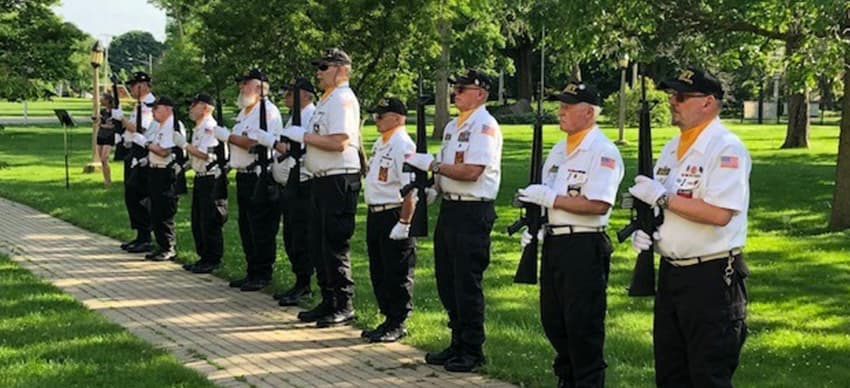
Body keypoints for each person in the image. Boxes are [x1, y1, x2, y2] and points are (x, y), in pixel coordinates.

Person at [628, 67, 751, 387]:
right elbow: (667, 206)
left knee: (707, 375)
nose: (672, 102)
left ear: (708, 102)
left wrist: (663, 199)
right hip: (673, 273)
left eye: (681, 96)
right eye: (671, 95)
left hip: (711, 277)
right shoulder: (673, 146)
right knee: (670, 373)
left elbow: (720, 213)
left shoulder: (726, 148)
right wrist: (651, 232)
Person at [516, 81, 624, 387]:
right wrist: (537, 221)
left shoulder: (602, 151)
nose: (560, 112)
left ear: (588, 112)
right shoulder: (560, 149)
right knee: (555, 320)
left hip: (584, 244)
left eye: (567, 107)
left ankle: (588, 381)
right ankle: (567, 379)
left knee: (582, 325)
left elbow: (599, 204)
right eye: (560, 105)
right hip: (555, 241)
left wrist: (551, 200)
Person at [405, 69, 502, 372]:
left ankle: (472, 349)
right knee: (447, 281)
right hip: (451, 209)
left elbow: (472, 171)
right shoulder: (451, 126)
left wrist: (435, 166)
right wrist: (432, 187)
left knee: (466, 282)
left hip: (473, 211)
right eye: (455, 89)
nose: (456, 93)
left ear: (481, 94)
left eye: (462, 89)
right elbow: (448, 168)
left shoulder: (484, 125)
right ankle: (457, 341)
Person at [283, 48, 362, 328]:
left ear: (341, 69)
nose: (318, 73)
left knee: (333, 242)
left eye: (324, 67)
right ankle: (328, 299)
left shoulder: (342, 99)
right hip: (321, 178)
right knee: (318, 242)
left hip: (338, 178)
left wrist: (303, 136)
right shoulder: (328, 100)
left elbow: (339, 141)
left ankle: (344, 303)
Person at [213, 68, 284, 291]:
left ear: (259, 88)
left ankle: (263, 273)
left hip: (259, 175)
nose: (241, 88)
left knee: (261, 227)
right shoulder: (245, 112)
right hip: (243, 176)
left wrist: (228, 137)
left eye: (246, 84)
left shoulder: (267, 111)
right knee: (246, 227)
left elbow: (252, 143)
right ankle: (252, 270)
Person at [361, 97, 417, 343]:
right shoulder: (382, 142)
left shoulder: (402, 145)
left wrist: (404, 223)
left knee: (397, 270)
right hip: (376, 213)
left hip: (394, 212)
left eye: (381, 116)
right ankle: (387, 317)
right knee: (379, 269)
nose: (376, 120)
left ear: (397, 118)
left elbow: (410, 191)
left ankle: (398, 321)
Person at [270, 78, 317, 306]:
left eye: (291, 93)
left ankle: (304, 282)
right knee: (291, 234)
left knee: (301, 234)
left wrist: (272, 142)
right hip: (291, 180)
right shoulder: (294, 116)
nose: (286, 97)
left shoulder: (310, 116)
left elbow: (298, 148)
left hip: (304, 181)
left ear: (306, 95)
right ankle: (299, 279)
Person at [178, 93, 227, 274]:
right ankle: (203, 256)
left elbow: (206, 155)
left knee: (209, 219)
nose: (191, 108)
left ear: (206, 108)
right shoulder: (198, 128)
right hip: (200, 177)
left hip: (210, 178)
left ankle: (213, 257)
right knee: (198, 220)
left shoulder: (210, 128)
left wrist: (185, 146)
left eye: (194, 105)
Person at [132, 96, 183, 262]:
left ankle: (168, 247)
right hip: (154, 171)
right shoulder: (160, 126)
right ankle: (160, 245)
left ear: (168, 109)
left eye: (156, 108)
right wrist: (147, 159)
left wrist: (145, 144)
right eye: (152, 109)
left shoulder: (172, 126)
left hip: (165, 173)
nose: (153, 112)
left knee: (164, 211)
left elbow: (164, 151)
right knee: (155, 210)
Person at [114, 71, 155, 254]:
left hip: (141, 152)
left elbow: (142, 129)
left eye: (134, 85)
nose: (131, 89)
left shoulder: (149, 105)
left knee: (139, 195)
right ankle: (140, 234)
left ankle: (146, 236)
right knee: (131, 195)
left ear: (143, 85)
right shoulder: (139, 105)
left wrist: (121, 120)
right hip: (131, 151)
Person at [95, 93, 119, 187]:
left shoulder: (114, 112)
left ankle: (108, 180)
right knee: (101, 160)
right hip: (101, 135)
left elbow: (113, 126)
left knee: (104, 158)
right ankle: (105, 180)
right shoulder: (102, 111)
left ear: (108, 100)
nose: (101, 101)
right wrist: (98, 120)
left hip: (109, 136)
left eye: (102, 99)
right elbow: (100, 123)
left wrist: (102, 125)